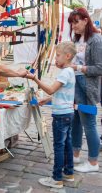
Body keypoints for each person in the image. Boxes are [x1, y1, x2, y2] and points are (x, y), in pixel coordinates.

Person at [26, 42, 77, 189]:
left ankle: (56, 178)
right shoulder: (69, 72)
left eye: (58, 55)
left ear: (67, 56)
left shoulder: (65, 72)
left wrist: (34, 79)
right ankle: (68, 173)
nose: (56, 58)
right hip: (68, 113)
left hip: (61, 115)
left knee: (59, 146)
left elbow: (50, 89)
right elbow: (61, 93)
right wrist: (47, 100)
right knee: (67, 144)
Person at [67, 7, 102, 173]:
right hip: (74, 83)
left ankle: (93, 162)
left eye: (76, 22)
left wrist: (78, 68)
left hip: (88, 86)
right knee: (75, 120)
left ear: (86, 20)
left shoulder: (95, 40)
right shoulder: (77, 38)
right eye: (71, 23)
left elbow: (99, 68)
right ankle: (75, 154)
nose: (73, 26)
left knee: (88, 123)